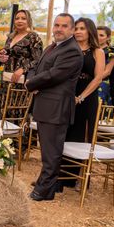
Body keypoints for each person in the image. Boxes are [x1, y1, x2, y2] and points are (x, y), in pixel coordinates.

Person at [26, 13, 83, 201]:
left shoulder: (72, 51)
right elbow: (37, 66)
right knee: (47, 150)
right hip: (46, 106)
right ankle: (47, 185)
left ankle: (44, 191)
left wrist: (31, 84)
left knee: (52, 152)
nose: (59, 29)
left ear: (72, 29)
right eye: (56, 25)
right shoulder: (53, 46)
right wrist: (31, 78)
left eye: (64, 26)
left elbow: (54, 75)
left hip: (56, 109)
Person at [59, 17, 105, 189]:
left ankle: (79, 178)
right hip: (66, 95)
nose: (78, 31)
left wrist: (81, 97)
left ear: (89, 31)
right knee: (64, 134)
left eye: (82, 29)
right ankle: (60, 176)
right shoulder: (69, 48)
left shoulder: (97, 51)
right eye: (76, 28)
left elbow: (98, 78)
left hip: (86, 98)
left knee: (82, 136)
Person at [0, 9, 43, 118]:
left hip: (22, 80)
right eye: (17, 18)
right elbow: (9, 52)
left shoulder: (33, 37)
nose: (20, 21)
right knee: (4, 108)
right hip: (7, 78)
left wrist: (23, 69)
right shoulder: (10, 36)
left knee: (17, 109)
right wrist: (3, 53)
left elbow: (39, 60)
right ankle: (2, 134)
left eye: (23, 18)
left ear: (28, 21)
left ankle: (18, 135)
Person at [97, 25, 114, 104]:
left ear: (108, 37)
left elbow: (107, 71)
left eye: (101, 35)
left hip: (101, 84)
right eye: (96, 35)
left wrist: (93, 81)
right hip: (85, 83)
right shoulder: (90, 49)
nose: (98, 37)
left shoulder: (112, 51)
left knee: (99, 110)